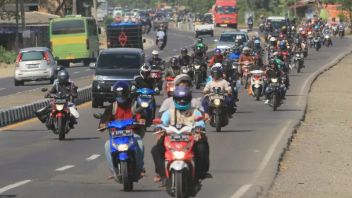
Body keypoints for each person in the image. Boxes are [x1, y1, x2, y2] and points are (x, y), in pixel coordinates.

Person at [151, 86, 210, 185]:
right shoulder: (168, 112)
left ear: (189, 100)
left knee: (202, 148)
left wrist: (199, 129)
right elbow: (162, 122)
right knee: (156, 150)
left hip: (191, 139)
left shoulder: (195, 111)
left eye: (185, 99)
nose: (182, 101)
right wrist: (159, 128)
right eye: (179, 99)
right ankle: (162, 174)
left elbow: (200, 123)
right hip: (171, 139)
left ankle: (201, 173)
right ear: (174, 100)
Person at [98, 81, 145, 179]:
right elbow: (104, 119)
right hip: (116, 136)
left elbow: (142, 115)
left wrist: (141, 120)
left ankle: (140, 168)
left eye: (123, 95)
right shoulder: (112, 107)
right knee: (107, 146)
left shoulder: (134, 105)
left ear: (127, 94)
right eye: (118, 95)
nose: (121, 98)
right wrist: (102, 124)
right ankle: (113, 171)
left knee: (140, 144)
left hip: (132, 134)